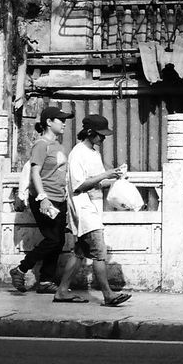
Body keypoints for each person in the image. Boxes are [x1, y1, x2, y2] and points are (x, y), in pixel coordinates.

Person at [55, 114, 131, 306]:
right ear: (89, 133)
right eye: (100, 135)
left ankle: (62, 291)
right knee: (99, 253)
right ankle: (108, 295)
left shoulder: (94, 153)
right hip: (84, 209)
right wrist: (106, 173)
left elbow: (97, 182)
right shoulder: (77, 153)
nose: (102, 139)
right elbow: (79, 185)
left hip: (93, 208)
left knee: (79, 253)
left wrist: (115, 178)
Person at [9, 105, 74, 294]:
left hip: (59, 199)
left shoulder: (58, 146)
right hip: (45, 199)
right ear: (49, 122)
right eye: (60, 120)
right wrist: (43, 197)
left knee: (59, 240)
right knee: (53, 239)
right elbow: (34, 173)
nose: (63, 123)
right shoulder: (41, 144)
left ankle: (46, 280)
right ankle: (20, 269)